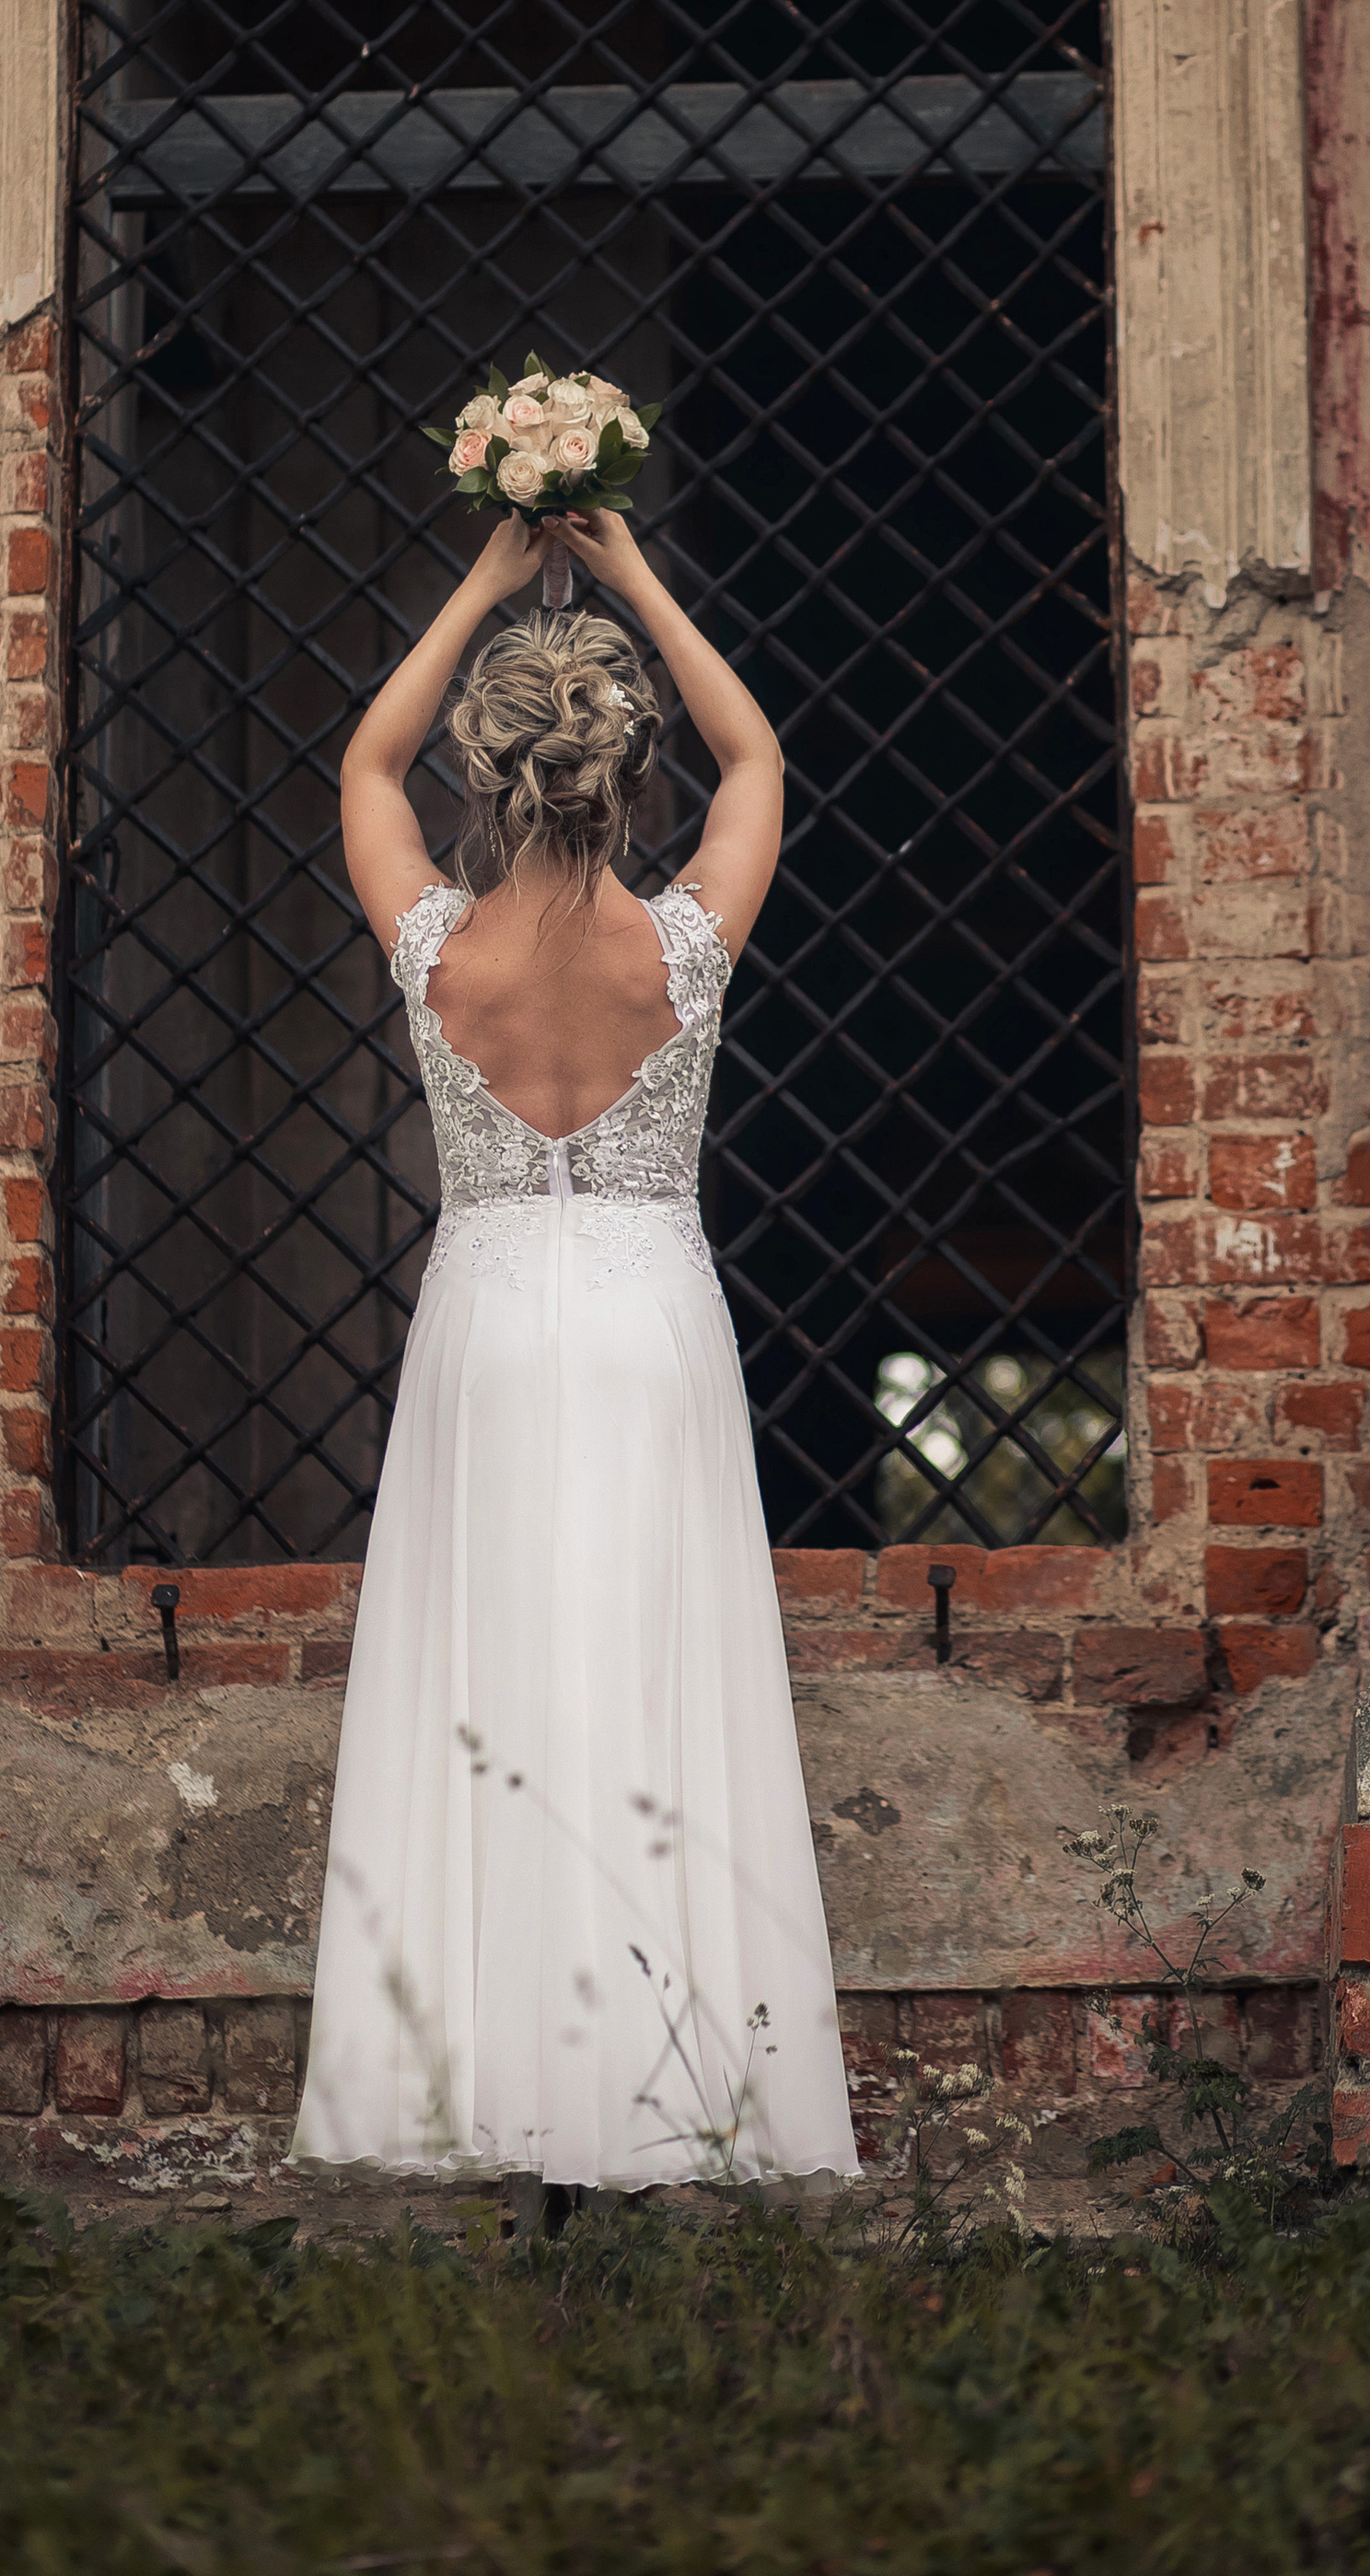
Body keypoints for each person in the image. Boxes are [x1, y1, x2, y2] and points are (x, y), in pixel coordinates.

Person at [291, 507, 858, 2192]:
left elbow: (363, 767)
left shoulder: (435, 951)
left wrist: (480, 570)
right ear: (621, 770)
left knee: (488, 1691)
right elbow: (755, 747)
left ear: (494, 765)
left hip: (487, 1328)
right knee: (655, 1685)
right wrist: (626, 572)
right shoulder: (682, 944)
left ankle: (480, 2093)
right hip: (647, 1323)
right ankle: (666, 2095)